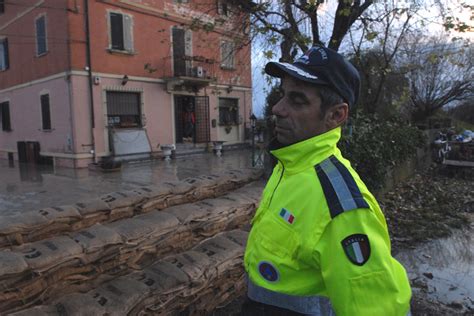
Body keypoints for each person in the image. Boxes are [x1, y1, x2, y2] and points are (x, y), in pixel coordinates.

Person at [243, 45, 411, 315]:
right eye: (282, 94)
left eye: (297, 100)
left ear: (336, 115)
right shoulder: (290, 165)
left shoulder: (342, 206)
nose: (277, 108)